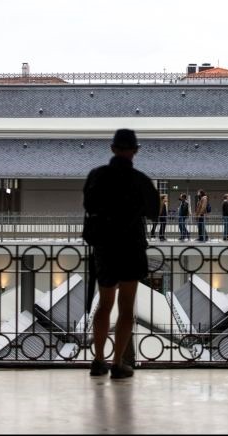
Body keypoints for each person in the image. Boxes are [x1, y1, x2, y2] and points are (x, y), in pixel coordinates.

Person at [83, 128, 158, 379]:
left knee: (104, 304)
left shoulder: (96, 175)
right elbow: (154, 211)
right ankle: (118, 363)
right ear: (135, 151)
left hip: (104, 247)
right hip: (131, 246)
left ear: (113, 148)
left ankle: (98, 359)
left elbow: (88, 205)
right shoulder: (140, 180)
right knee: (126, 307)